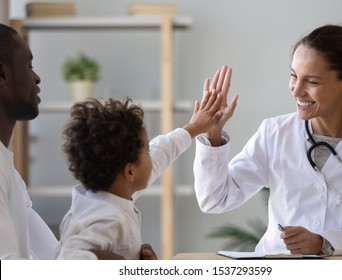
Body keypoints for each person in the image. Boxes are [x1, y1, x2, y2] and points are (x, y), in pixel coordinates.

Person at [0, 22, 222, 259]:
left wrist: (191, 129)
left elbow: (54, 257)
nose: (36, 77)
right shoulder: (104, 217)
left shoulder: (99, 199)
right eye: (28, 65)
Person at [193, 24, 342, 256]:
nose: (297, 91)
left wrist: (325, 243)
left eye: (312, 82)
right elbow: (215, 200)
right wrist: (212, 136)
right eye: (294, 76)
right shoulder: (275, 133)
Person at [55, 96, 221, 259]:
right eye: (147, 152)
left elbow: (160, 152)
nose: (152, 157)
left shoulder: (106, 197)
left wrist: (192, 129)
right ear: (130, 172)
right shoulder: (106, 218)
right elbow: (69, 258)